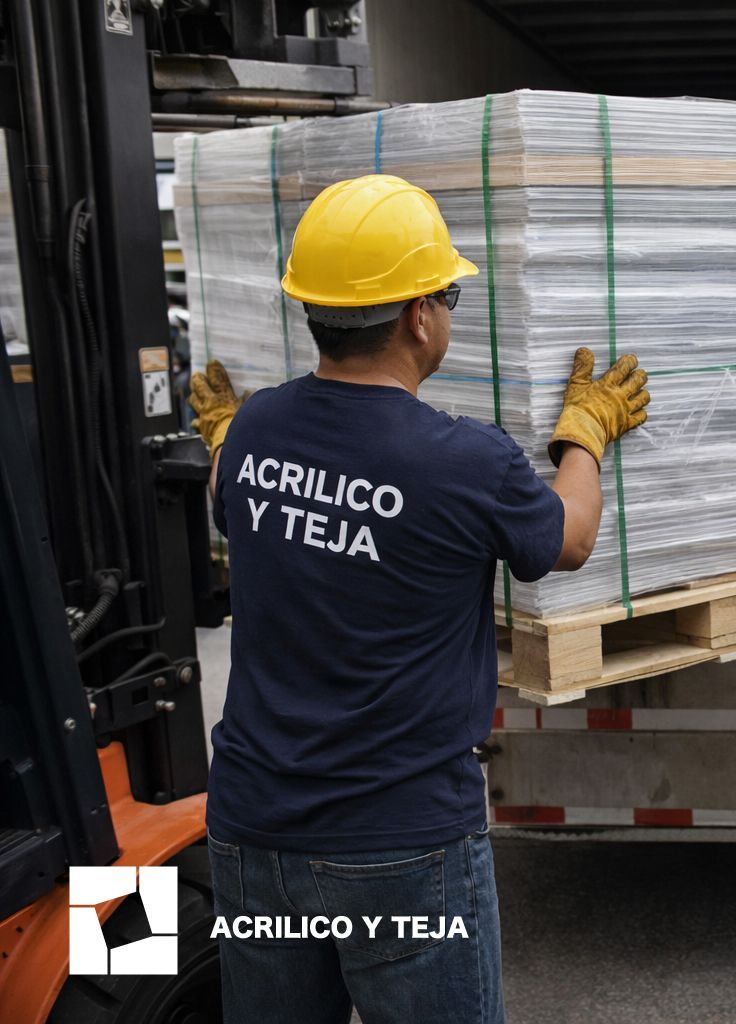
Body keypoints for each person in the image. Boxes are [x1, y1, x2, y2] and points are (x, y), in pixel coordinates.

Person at [186, 174, 650, 1024]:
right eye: (448, 293)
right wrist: (586, 433)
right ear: (417, 316)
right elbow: (568, 538)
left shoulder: (251, 431)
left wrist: (224, 435)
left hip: (254, 835)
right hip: (400, 844)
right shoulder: (465, 460)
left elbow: (227, 485)